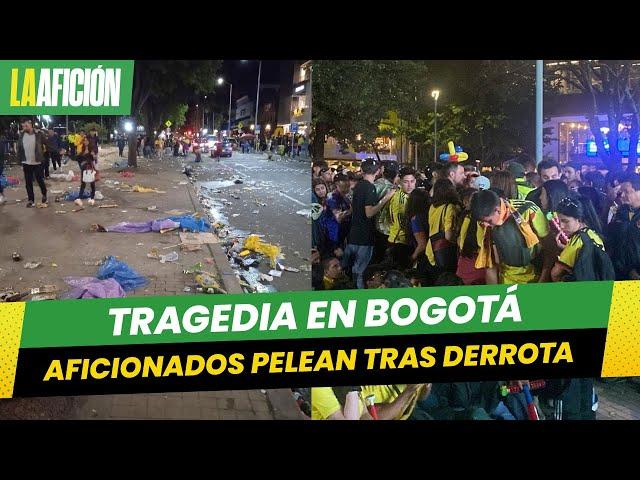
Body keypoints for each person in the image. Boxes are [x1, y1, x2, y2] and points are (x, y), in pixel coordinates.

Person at [471, 189, 549, 284]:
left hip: (535, 277)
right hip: (506, 279)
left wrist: (543, 280)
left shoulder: (528, 210)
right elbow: (489, 262)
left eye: (489, 221)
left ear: (498, 210)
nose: (486, 225)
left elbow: (550, 249)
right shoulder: (483, 223)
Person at [342, 158, 395, 289]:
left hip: (353, 234)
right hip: (364, 237)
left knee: (350, 269)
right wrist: (385, 199)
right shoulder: (370, 187)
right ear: (377, 171)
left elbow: (354, 208)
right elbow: (369, 213)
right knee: (360, 272)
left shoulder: (358, 186)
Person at [551, 194, 611, 282]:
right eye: (559, 221)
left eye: (565, 221)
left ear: (579, 219)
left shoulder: (576, 241)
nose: (561, 226)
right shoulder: (593, 234)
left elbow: (555, 273)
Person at [426, 179, 461, 275]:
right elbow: (448, 236)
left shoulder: (433, 206)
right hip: (443, 252)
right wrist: (459, 242)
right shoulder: (450, 207)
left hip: (431, 249)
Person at [387, 167, 417, 269]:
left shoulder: (411, 195)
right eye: (406, 182)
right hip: (400, 242)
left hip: (405, 240)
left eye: (412, 181)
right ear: (400, 182)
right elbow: (402, 223)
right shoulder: (400, 199)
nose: (409, 185)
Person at [456, 188, 485, 285]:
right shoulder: (483, 222)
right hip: (480, 268)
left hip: (463, 266)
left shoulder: (466, 217)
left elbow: (460, 242)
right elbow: (482, 245)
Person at [16, 118, 47, 208]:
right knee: (28, 182)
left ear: (31, 124)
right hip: (26, 162)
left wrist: (57, 150)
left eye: (26, 125)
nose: (24, 127)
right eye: (23, 126)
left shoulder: (39, 134)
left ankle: (44, 193)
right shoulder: (21, 135)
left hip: (37, 162)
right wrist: (19, 159)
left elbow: (47, 143)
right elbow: (19, 148)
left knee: (39, 179)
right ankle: (31, 200)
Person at [404, 188, 430, 274]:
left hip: (424, 257)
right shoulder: (429, 213)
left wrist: (412, 258)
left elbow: (422, 245)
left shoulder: (416, 219)